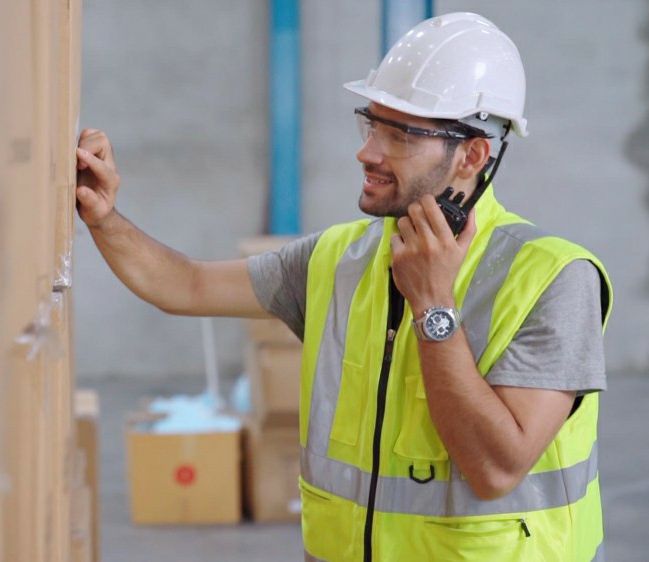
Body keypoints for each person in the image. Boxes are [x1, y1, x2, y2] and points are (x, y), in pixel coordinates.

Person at [75, 12, 612, 562]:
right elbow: (184, 286)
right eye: (371, 124)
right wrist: (103, 215)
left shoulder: (556, 279)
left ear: (472, 154)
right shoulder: (338, 258)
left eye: (400, 135)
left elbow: (497, 467)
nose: (368, 152)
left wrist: (433, 306)